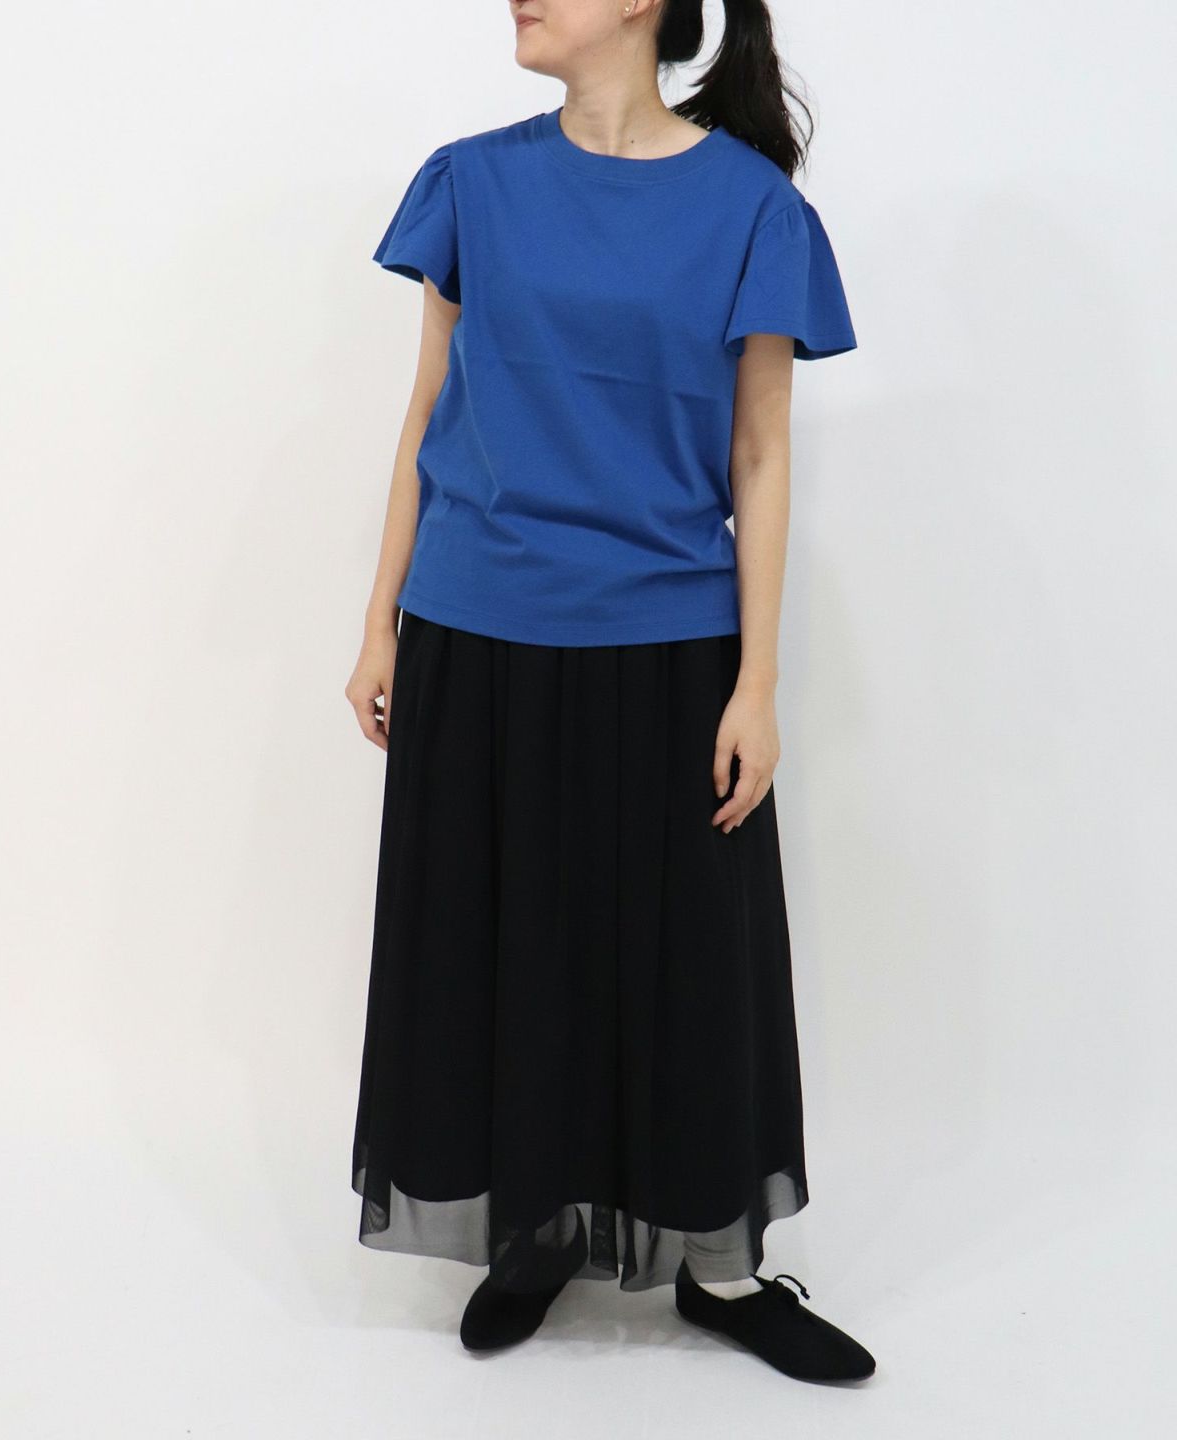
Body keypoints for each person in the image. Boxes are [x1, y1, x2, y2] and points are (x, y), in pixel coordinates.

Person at [345, 0, 876, 1382]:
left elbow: (761, 453)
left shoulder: (751, 209)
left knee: (691, 965)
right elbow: (427, 409)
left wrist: (759, 681)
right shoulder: (471, 182)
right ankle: (536, 1229)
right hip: (475, 627)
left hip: (670, 640)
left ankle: (722, 1270)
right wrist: (380, 620)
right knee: (507, 944)